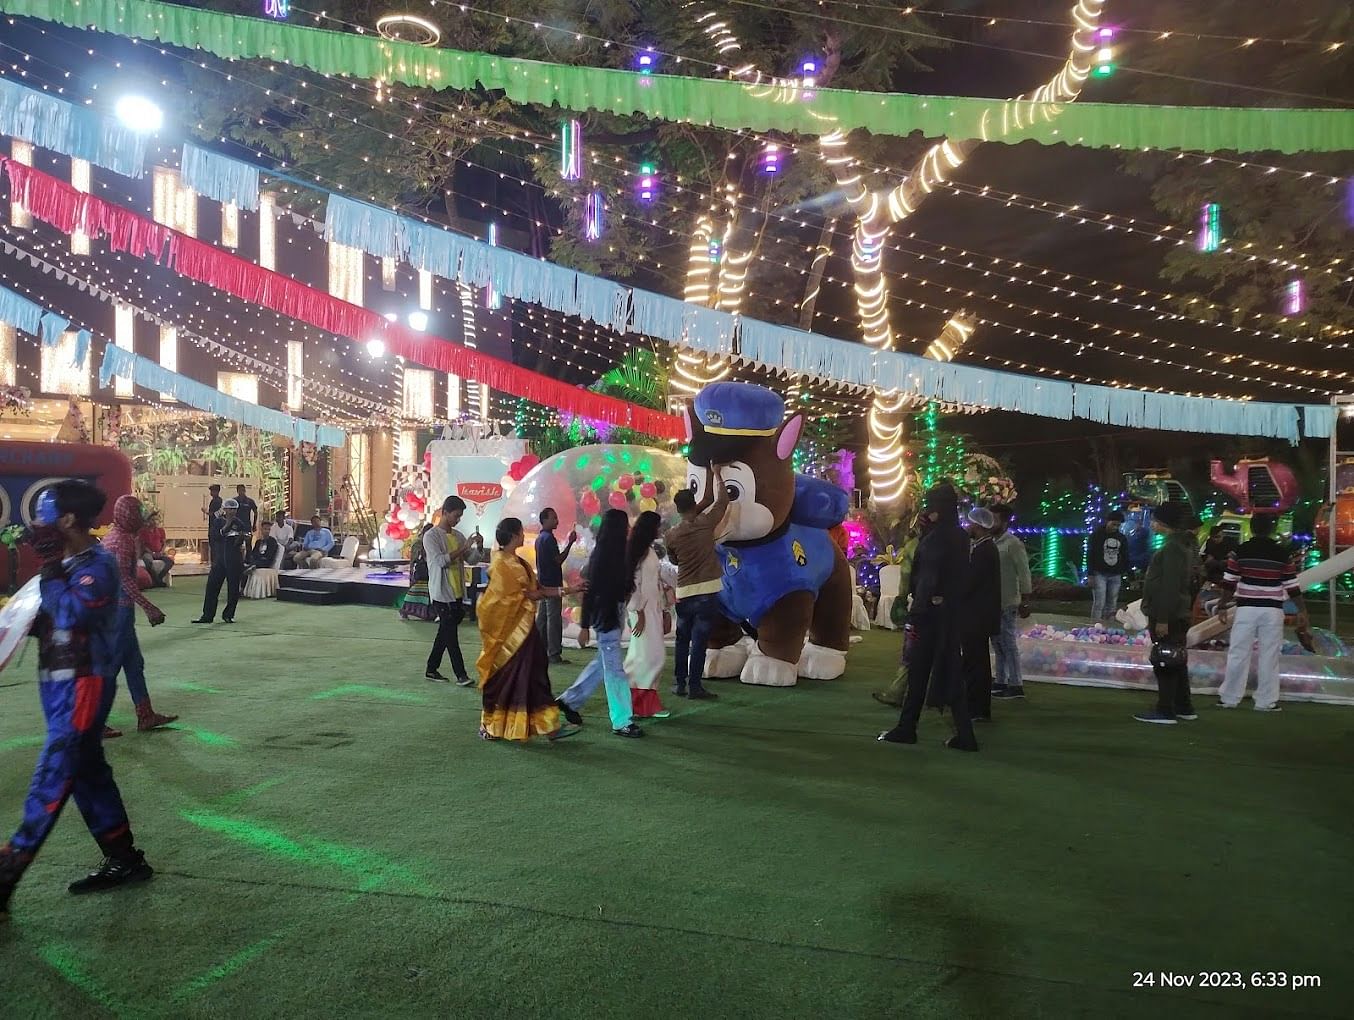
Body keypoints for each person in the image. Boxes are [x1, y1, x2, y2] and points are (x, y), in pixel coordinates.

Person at [0, 481, 153, 921]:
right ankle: (125, 860)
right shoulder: (68, 563)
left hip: (84, 684)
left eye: (45, 514)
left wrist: (49, 569)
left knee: (54, 775)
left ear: (67, 520)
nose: (37, 524)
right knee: (86, 773)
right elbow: (52, 620)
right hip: (59, 683)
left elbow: (72, 613)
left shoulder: (97, 564)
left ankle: (7, 871)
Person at [878, 484, 977, 751]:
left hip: (931, 615)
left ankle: (910, 727)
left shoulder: (941, 538)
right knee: (937, 671)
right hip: (943, 614)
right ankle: (922, 728)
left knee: (925, 671)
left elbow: (928, 576)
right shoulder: (955, 535)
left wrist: (925, 604)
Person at [476, 518, 582, 742]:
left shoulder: (517, 561)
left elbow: (537, 589)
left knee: (534, 675)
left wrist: (570, 590)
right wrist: (564, 591)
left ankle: (547, 726)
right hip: (509, 635)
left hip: (525, 630)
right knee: (507, 678)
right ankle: (492, 725)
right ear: (514, 535)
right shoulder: (501, 563)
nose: (524, 536)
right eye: (521, 532)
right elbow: (524, 595)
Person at [556, 508, 643, 738]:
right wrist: (584, 626)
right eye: (625, 524)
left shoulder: (618, 553)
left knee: (603, 663)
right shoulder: (602, 555)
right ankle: (622, 720)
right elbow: (590, 590)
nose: (628, 528)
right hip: (605, 615)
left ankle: (569, 701)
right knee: (614, 668)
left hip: (613, 612)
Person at [99, 495, 176, 734]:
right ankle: (94, 722)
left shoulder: (117, 535)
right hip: (118, 613)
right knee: (110, 669)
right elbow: (125, 581)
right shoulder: (121, 541)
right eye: (137, 514)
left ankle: (145, 715)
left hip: (118, 612)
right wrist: (149, 607)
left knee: (134, 664)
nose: (140, 519)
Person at [1215, 513, 1304, 713]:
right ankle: (1266, 701)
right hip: (1272, 609)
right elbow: (1292, 586)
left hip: (1246, 608)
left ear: (1252, 528)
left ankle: (1229, 698)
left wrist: (1222, 606)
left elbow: (1229, 582)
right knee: (1269, 655)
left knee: (1238, 652)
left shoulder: (1240, 551)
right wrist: (1302, 610)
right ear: (1271, 529)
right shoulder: (1282, 553)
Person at [665, 468, 730, 700]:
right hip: (707, 591)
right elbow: (722, 501)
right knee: (700, 640)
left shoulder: (671, 534)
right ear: (694, 504)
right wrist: (718, 474)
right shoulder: (705, 523)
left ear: (677, 508)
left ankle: (679, 682)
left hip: (684, 591)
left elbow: (673, 559)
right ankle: (695, 686)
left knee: (682, 638)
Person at [1135, 502, 1199, 725]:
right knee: (1177, 660)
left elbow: (1169, 586)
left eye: (1154, 520)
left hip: (1169, 614)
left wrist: (1162, 619)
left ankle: (1165, 709)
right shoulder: (1183, 546)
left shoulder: (1172, 548)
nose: (1151, 524)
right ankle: (1183, 706)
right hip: (1178, 611)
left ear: (1164, 523)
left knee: (1165, 660)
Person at [423, 495, 483, 685]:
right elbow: (440, 561)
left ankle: (432, 669)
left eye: (460, 517)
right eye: (456, 516)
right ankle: (461, 675)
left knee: (445, 632)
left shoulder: (457, 536)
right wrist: (463, 547)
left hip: (457, 592)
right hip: (441, 593)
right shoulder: (430, 536)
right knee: (451, 635)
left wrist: (478, 547)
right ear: (445, 513)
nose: (457, 520)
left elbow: (471, 560)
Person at [624, 511, 668, 720]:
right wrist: (638, 611)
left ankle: (643, 703)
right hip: (642, 610)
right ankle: (637, 702)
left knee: (646, 655)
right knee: (650, 655)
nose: (660, 529)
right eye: (658, 526)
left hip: (652, 609)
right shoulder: (639, 551)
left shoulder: (647, 550)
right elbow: (633, 583)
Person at [961, 506, 1002, 724]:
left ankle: (977, 707)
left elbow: (970, 582)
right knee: (977, 661)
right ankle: (976, 705)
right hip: (980, 615)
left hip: (977, 616)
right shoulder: (986, 548)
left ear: (977, 526)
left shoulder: (983, 551)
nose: (968, 526)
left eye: (970, 523)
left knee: (976, 662)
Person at [871, 526, 920, 707]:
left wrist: (901, 600)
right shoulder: (959, 539)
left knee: (911, 653)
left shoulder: (916, 545)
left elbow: (906, 576)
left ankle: (897, 692)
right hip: (949, 607)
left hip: (922, 606)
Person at [990, 503, 1032, 700]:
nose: (991, 523)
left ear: (1005, 522)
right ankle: (1000, 680)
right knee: (997, 643)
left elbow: (1024, 571)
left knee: (1008, 642)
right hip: (993, 601)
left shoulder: (1013, 543)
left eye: (995, 519)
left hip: (1008, 600)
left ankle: (1016, 683)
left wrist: (1026, 598)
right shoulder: (991, 541)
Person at [193, 498, 248, 624]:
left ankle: (228, 614)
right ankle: (207, 615)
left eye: (234, 509)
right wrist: (227, 525)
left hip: (234, 560)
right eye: (230, 509)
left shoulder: (239, 523)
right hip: (219, 560)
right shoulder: (218, 522)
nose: (232, 511)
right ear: (225, 509)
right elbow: (215, 536)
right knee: (212, 588)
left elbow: (242, 540)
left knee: (233, 590)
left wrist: (242, 538)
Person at [533, 508, 577, 664]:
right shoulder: (549, 539)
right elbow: (558, 560)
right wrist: (570, 543)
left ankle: (538, 649)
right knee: (553, 619)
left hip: (543, 582)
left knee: (543, 618)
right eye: (553, 518)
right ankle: (553, 653)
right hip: (552, 583)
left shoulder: (540, 538)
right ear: (544, 520)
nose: (556, 521)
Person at [1086, 510, 1129, 623]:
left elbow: (1125, 555)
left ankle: (1108, 626)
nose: (1115, 527)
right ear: (1107, 521)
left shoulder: (1121, 538)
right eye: (1113, 524)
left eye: (1118, 525)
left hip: (1115, 574)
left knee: (1112, 603)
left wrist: (1127, 572)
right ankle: (1094, 626)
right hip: (1099, 573)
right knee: (1099, 602)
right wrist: (1090, 574)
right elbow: (1090, 554)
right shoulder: (1096, 536)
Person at [399, 524, 436, 622]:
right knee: (414, 594)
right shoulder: (418, 544)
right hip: (419, 573)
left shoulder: (432, 542)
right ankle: (406, 611)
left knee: (425, 595)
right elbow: (414, 560)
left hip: (428, 573)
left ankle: (427, 613)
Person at [139, 510, 173, 587]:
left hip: (159, 552)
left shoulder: (161, 530)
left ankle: (158, 579)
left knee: (170, 562)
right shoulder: (143, 531)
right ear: (148, 520)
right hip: (148, 553)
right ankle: (157, 581)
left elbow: (164, 543)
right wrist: (152, 553)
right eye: (153, 519)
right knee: (148, 561)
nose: (155, 521)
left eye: (156, 519)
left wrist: (161, 552)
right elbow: (143, 545)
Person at [202, 484, 222, 566]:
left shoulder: (217, 501)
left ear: (216, 491)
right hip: (213, 525)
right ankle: (214, 562)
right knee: (213, 545)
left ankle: (215, 563)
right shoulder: (215, 500)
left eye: (212, 491)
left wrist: (206, 512)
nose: (211, 493)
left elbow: (215, 514)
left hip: (215, 527)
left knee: (214, 546)